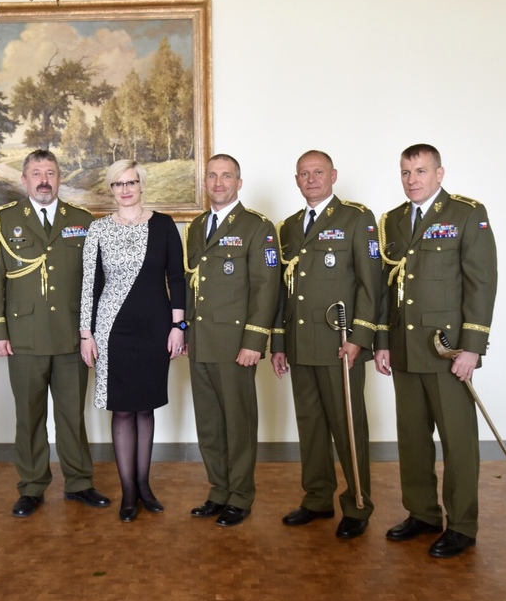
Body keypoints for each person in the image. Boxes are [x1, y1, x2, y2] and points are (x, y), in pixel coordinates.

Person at [374, 143, 498, 558]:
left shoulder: (466, 214)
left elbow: (482, 284)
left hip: (447, 351)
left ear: (439, 174)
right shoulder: (392, 221)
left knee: (458, 443)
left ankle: (461, 525)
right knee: (412, 440)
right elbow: (386, 288)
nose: (412, 180)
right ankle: (423, 514)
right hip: (405, 349)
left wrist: (471, 348)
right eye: (405, 172)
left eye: (421, 171)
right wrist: (383, 342)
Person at [0, 149, 111, 518]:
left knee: (71, 416)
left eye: (50, 173)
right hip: (24, 337)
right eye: (36, 173)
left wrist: (94, 331)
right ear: (24, 180)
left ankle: (79, 483)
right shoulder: (4, 221)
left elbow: (96, 280)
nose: (43, 180)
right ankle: (32, 486)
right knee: (29, 417)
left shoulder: (81, 220)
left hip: (71, 337)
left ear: (59, 178)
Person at [270, 149, 382, 540]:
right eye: (304, 174)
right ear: (296, 180)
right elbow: (283, 292)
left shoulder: (356, 218)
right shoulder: (288, 227)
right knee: (312, 427)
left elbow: (371, 283)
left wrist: (360, 337)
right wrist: (279, 343)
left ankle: (358, 504)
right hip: (301, 345)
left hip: (339, 345)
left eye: (318, 172)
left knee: (348, 428)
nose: (311, 179)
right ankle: (317, 499)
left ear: (333, 176)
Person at [79, 160, 185, 522]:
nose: (125, 189)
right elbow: (89, 285)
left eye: (131, 182)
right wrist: (86, 333)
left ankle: (144, 486)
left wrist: (178, 326)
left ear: (142, 185)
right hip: (112, 331)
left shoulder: (164, 225)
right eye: (118, 184)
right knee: (123, 408)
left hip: (156, 329)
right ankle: (128, 493)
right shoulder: (98, 229)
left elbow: (177, 278)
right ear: (111, 189)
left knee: (145, 407)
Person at [183, 154, 281, 527]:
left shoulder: (257, 226)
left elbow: (266, 287)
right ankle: (218, 490)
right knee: (209, 423)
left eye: (226, 176)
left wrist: (254, 341)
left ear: (239, 183)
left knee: (238, 423)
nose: (218, 183)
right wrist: (186, 330)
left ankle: (240, 496)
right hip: (201, 340)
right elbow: (192, 283)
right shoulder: (196, 227)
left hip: (236, 342)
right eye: (212, 176)